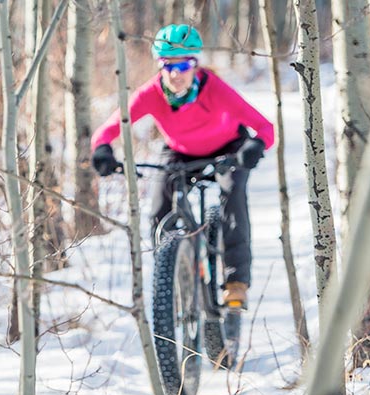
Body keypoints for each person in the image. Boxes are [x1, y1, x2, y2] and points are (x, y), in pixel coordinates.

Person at [90, 23, 274, 308]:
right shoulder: (150, 93)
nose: (176, 73)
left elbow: (264, 127)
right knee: (159, 207)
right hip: (180, 150)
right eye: (167, 65)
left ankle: (236, 282)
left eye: (184, 64)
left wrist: (256, 145)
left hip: (228, 149)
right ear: (160, 65)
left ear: (196, 64)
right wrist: (102, 150)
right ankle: (171, 270)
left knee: (232, 196)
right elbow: (108, 129)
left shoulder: (215, 89)